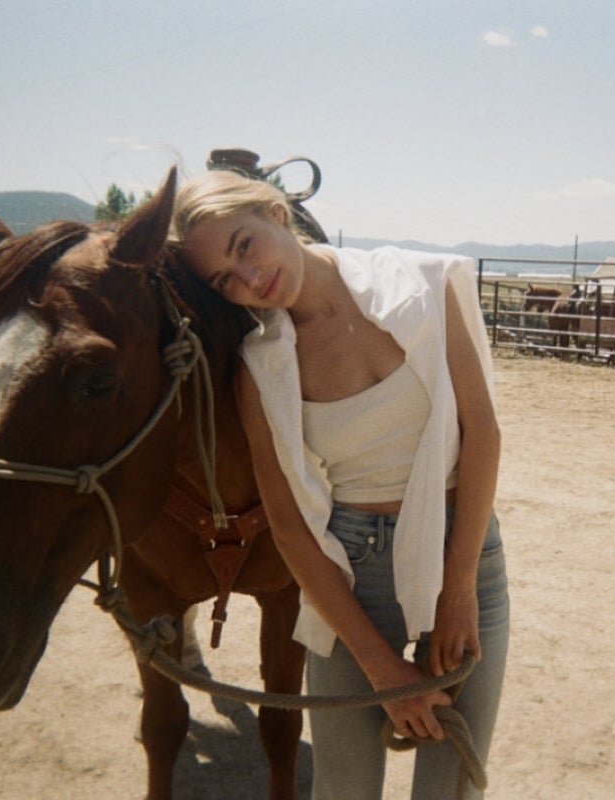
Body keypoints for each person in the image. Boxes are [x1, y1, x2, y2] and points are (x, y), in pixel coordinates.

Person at [171, 169, 510, 800]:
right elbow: (292, 529)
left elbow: (483, 432)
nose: (248, 279)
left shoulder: (429, 284)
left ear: (276, 213)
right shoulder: (259, 366)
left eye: (244, 245)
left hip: (465, 550)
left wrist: (459, 585)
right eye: (224, 278)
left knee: (453, 787)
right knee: (343, 788)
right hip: (350, 569)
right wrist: (379, 666)